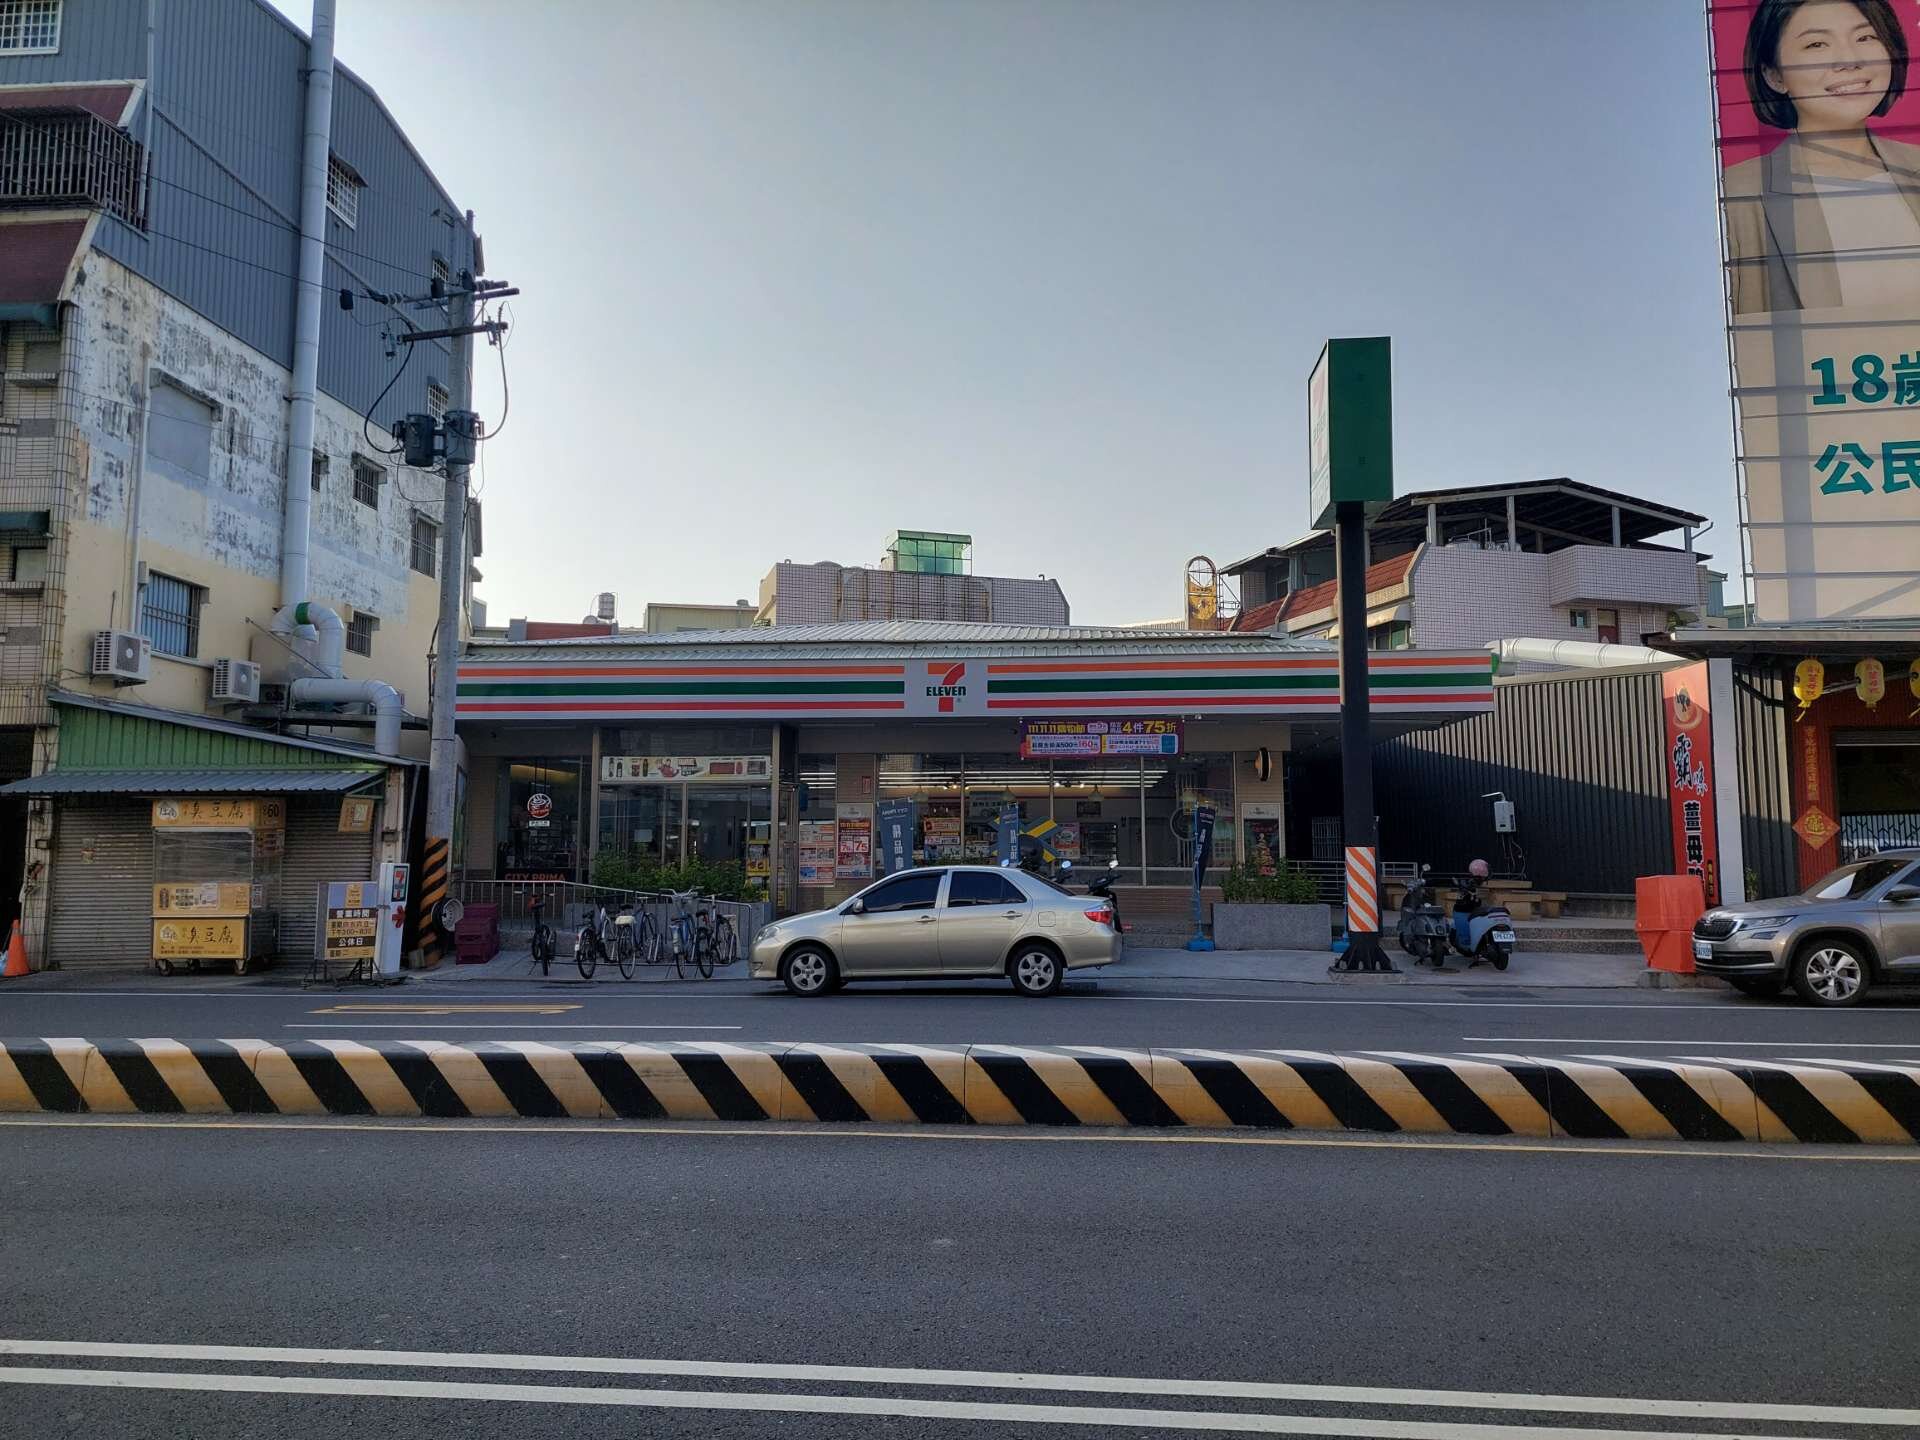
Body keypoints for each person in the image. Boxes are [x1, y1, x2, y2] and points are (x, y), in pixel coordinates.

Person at [1724, 0, 1920, 314]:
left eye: (1865, 37)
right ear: (1774, 75)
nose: (1849, 60)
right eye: (1817, 44)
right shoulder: (1737, 194)